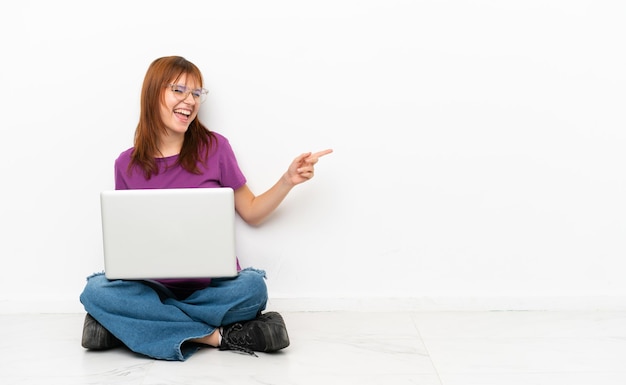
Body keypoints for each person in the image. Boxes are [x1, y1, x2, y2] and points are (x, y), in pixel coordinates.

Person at [79, 56, 332, 361]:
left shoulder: (215, 148)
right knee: (96, 291)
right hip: (152, 289)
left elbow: (251, 211)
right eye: (179, 90)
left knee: (253, 288)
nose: (190, 101)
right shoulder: (127, 164)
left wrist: (287, 180)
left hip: (212, 288)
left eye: (197, 94)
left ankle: (127, 325)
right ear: (153, 93)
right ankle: (217, 336)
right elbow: (127, 246)